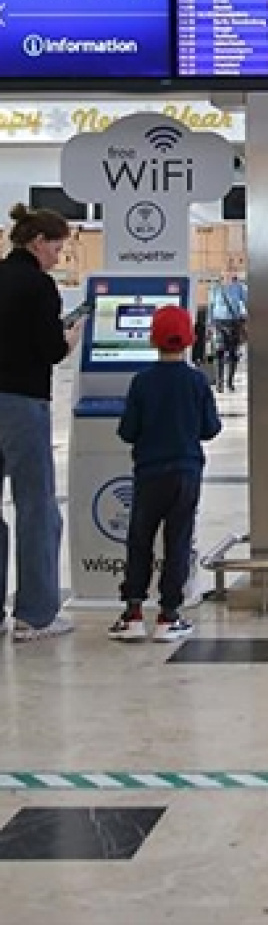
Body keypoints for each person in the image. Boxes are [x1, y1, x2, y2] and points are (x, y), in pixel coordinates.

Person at [109, 306, 221, 643]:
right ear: (190, 339)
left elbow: (127, 431)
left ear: (152, 339)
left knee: (140, 540)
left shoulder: (142, 381)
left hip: (149, 473)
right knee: (178, 540)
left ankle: (132, 613)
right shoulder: (197, 381)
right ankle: (168, 615)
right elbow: (210, 428)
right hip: (186, 472)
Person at [0, 203, 81, 642]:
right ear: (37, 243)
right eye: (56, 248)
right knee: (36, 507)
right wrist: (71, 337)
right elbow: (50, 350)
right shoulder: (38, 285)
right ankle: (35, 614)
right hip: (22, 404)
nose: (57, 257)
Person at [208, 269, 248, 393]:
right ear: (222, 273)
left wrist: (246, 316)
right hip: (218, 323)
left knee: (233, 353)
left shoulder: (239, 287)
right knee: (218, 352)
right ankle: (219, 383)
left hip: (233, 322)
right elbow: (211, 306)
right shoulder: (215, 287)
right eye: (226, 271)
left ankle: (230, 382)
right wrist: (210, 324)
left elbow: (247, 302)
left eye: (232, 271)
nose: (229, 273)